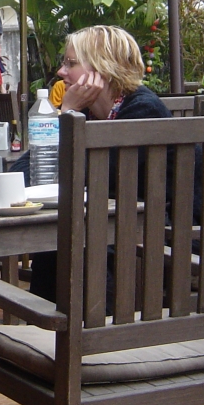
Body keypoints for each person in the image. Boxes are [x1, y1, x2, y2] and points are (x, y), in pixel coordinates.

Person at [16, 25, 183, 304]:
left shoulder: (142, 111)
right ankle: (53, 334)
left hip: (171, 239)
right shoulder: (92, 115)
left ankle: (68, 334)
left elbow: (85, 178)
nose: (61, 72)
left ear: (102, 70)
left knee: (66, 245)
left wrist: (68, 113)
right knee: (58, 243)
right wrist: (71, 116)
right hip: (122, 228)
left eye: (71, 63)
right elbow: (24, 175)